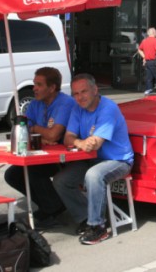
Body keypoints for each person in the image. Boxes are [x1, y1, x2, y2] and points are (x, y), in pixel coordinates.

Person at [53, 74, 134, 246]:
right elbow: (68, 138)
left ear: (95, 90)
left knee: (93, 175)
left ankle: (98, 227)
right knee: (61, 181)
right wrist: (80, 142)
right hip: (91, 159)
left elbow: (95, 144)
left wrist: (84, 143)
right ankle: (85, 218)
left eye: (84, 92)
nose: (79, 97)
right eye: (75, 93)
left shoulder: (108, 108)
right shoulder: (77, 109)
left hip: (118, 160)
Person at [4, 67, 76, 228]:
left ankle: (51, 208)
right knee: (12, 174)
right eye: (34, 84)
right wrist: (42, 134)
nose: (34, 88)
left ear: (52, 88)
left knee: (32, 170)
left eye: (39, 84)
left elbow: (53, 136)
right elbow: (23, 128)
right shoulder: (35, 103)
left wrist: (37, 130)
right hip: (43, 153)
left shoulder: (64, 103)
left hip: (67, 156)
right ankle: (52, 205)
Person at [137, 27, 156, 93]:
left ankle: (149, 90)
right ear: (154, 33)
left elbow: (139, 50)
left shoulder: (144, 41)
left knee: (149, 77)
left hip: (147, 62)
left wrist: (144, 57)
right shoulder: (155, 41)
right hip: (153, 61)